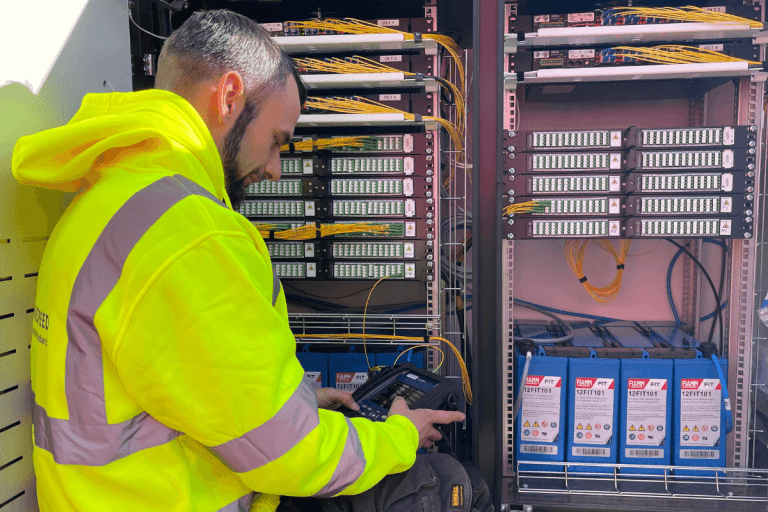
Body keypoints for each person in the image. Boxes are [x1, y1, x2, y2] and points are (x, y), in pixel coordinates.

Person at [12, 9, 477, 512]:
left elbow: (154, 392)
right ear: (229, 96)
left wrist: (293, 404)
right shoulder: (188, 232)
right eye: (277, 141)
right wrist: (400, 436)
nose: (277, 170)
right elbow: (295, 457)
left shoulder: (107, 200)